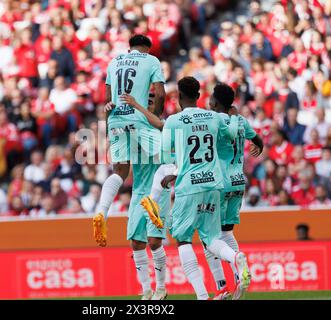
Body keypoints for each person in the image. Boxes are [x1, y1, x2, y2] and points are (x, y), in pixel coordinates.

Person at [158, 77, 250, 300]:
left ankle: (202, 296)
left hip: (189, 186)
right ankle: (235, 256)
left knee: (183, 239)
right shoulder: (214, 116)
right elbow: (230, 135)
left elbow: (164, 155)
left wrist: (174, 173)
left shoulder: (174, 121)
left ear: (178, 96)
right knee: (211, 238)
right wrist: (236, 116)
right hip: (215, 185)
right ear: (199, 96)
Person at [92, 35, 167, 300]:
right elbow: (159, 91)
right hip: (142, 194)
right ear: (146, 48)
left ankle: (159, 289)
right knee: (138, 242)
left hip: (116, 121)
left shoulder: (114, 62)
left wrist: (110, 111)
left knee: (120, 171)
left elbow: (106, 98)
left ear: (128, 48)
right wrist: (152, 112)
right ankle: (147, 289)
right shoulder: (151, 60)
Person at [201, 83, 263, 300]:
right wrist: (259, 148)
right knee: (226, 232)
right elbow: (258, 141)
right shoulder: (242, 121)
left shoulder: (213, 119)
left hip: (218, 183)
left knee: (206, 236)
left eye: (211, 98)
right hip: (238, 182)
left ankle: (222, 284)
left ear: (215, 102)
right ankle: (239, 277)